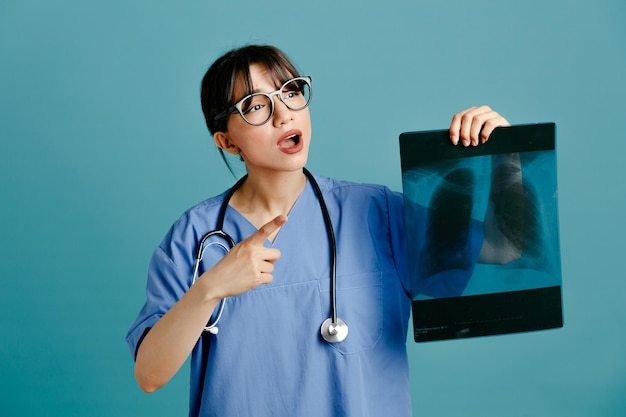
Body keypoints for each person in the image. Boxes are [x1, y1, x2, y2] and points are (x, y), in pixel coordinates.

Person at [126, 44, 510, 417]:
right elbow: (149, 375)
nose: (283, 114)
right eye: (256, 106)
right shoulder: (195, 237)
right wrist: (210, 288)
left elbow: (505, 249)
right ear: (227, 142)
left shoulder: (376, 212)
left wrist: (508, 155)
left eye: (290, 92)